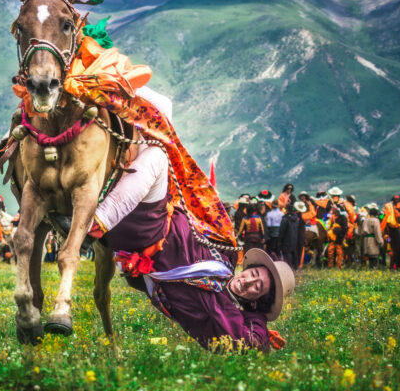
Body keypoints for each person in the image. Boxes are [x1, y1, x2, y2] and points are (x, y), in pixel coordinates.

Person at [89, 90, 295, 352]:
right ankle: (85, 81)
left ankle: (92, 224)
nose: (249, 282)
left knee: (159, 155)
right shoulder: (227, 260)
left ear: (257, 302)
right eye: (254, 275)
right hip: (164, 210)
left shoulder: (222, 310)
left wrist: (260, 324)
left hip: (149, 235)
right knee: (162, 106)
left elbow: (245, 344)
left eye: (257, 289)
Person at [382, 195, 400, 270]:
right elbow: (384, 216)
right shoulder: (389, 207)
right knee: (392, 247)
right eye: (395, 199)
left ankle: (399, 263)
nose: (396, 200)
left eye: (397, 199)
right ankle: (392, 265)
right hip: (390, 228)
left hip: (398, 227)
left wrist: (397, 211)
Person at [279, 202, 304, 270]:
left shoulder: (285, 219)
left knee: (287, 255)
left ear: (286, 209)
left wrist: (280, 241)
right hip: (295, 239)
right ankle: (295, 268)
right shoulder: (297, 219)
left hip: (286, 240)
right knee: (294, 253)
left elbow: (282, 231)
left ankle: (289, 270)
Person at [359, 203, 383, 268]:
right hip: (373, 240)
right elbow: (377, 232)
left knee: (369, 255)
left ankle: (371, 267)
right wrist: (380, 241)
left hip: (366, 239)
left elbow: (362, 231)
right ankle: (374, 267)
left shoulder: (366, 220)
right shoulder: (376, 221)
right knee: (374, 255)